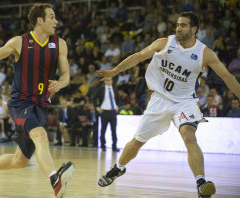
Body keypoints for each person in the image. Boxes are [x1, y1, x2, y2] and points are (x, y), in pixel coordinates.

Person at [96, 12, 240, 198]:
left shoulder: (205, 53)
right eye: (178, 25)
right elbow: (139, 56)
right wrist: (116, 70)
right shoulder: (163, 43)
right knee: (137, 142)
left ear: (194, 29)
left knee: (189, 136)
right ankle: (118, 168)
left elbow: (228, 77)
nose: (178, 28)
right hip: (159, 100)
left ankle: (201, 182)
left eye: (183, 25)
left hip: (184, 102)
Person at [0, 3, 74, 198]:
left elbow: (66, 75)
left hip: (41, 106)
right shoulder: (18, 42)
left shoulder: (60, 44)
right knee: (41, 136)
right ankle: (55, 180)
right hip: (20, 103)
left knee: (20, 161)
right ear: (40, 20)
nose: (56, 21)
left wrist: (60, 84)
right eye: (52, 17)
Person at [94, 77, 120, 152]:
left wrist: (117, 106)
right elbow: (93, 98)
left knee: (114, 130)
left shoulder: (114, 89)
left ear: (112, 81)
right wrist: (97, 107)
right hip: (104, 111)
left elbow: (118, 99)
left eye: (110, 80)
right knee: (103, 129)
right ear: (105, 81)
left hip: (113, 111)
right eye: (107, 80)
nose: (109, 81)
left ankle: (114, 146)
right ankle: (103, 145)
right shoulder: (100, 89)